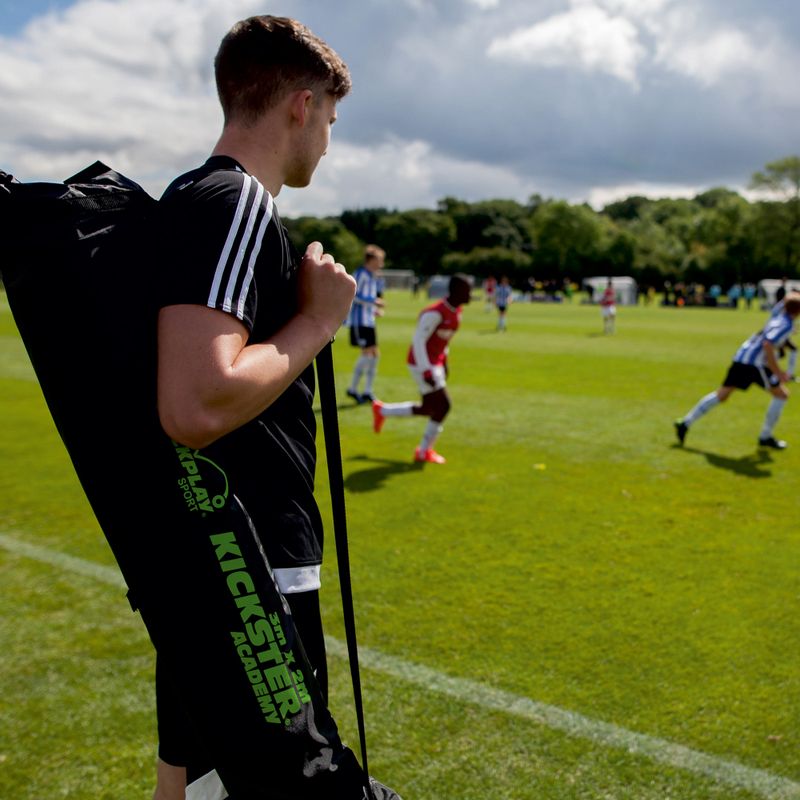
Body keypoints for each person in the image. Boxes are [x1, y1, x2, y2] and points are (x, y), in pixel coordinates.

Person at [148, 16, 399, 800]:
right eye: (329, 117)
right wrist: (321, 321)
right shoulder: (237, 203)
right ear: (300, 104)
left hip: (211, 556)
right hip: (254, 568)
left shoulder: (193, 196)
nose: (327, 137)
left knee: (188, 784)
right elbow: (195, 402)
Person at [674, 293, 800, 450]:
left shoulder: (777, 314)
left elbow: (783, 306)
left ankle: (685, 423)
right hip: (755, 364)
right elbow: (768, 344)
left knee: (722, 395)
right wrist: (779, 372)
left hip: (741, 357)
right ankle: (765, 436)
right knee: (782, 395)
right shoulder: (786, 324)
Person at [371, 274, 472, 464]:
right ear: (456, 291)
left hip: (435, 363)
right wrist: (426, 370)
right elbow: (418, 341)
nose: (471, 294)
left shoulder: (457, 311)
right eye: (467, 290)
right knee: (443, 406)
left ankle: (382, 411)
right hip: (421, 363)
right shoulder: (434, 313)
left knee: (429, 408)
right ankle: (424, 451)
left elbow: (444, 340)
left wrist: (445, 361)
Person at [346, 244, 386, 403]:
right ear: (371, 259)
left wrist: (374, 310)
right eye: (380, 259)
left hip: (369, 321)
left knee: (375, 355)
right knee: (368, 353)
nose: (381, 263)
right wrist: (374, 301)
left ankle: (367, 390)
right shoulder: (360, 274)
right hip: (359, 322)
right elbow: (352, 295)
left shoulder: (371, 276)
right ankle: (353, 389)